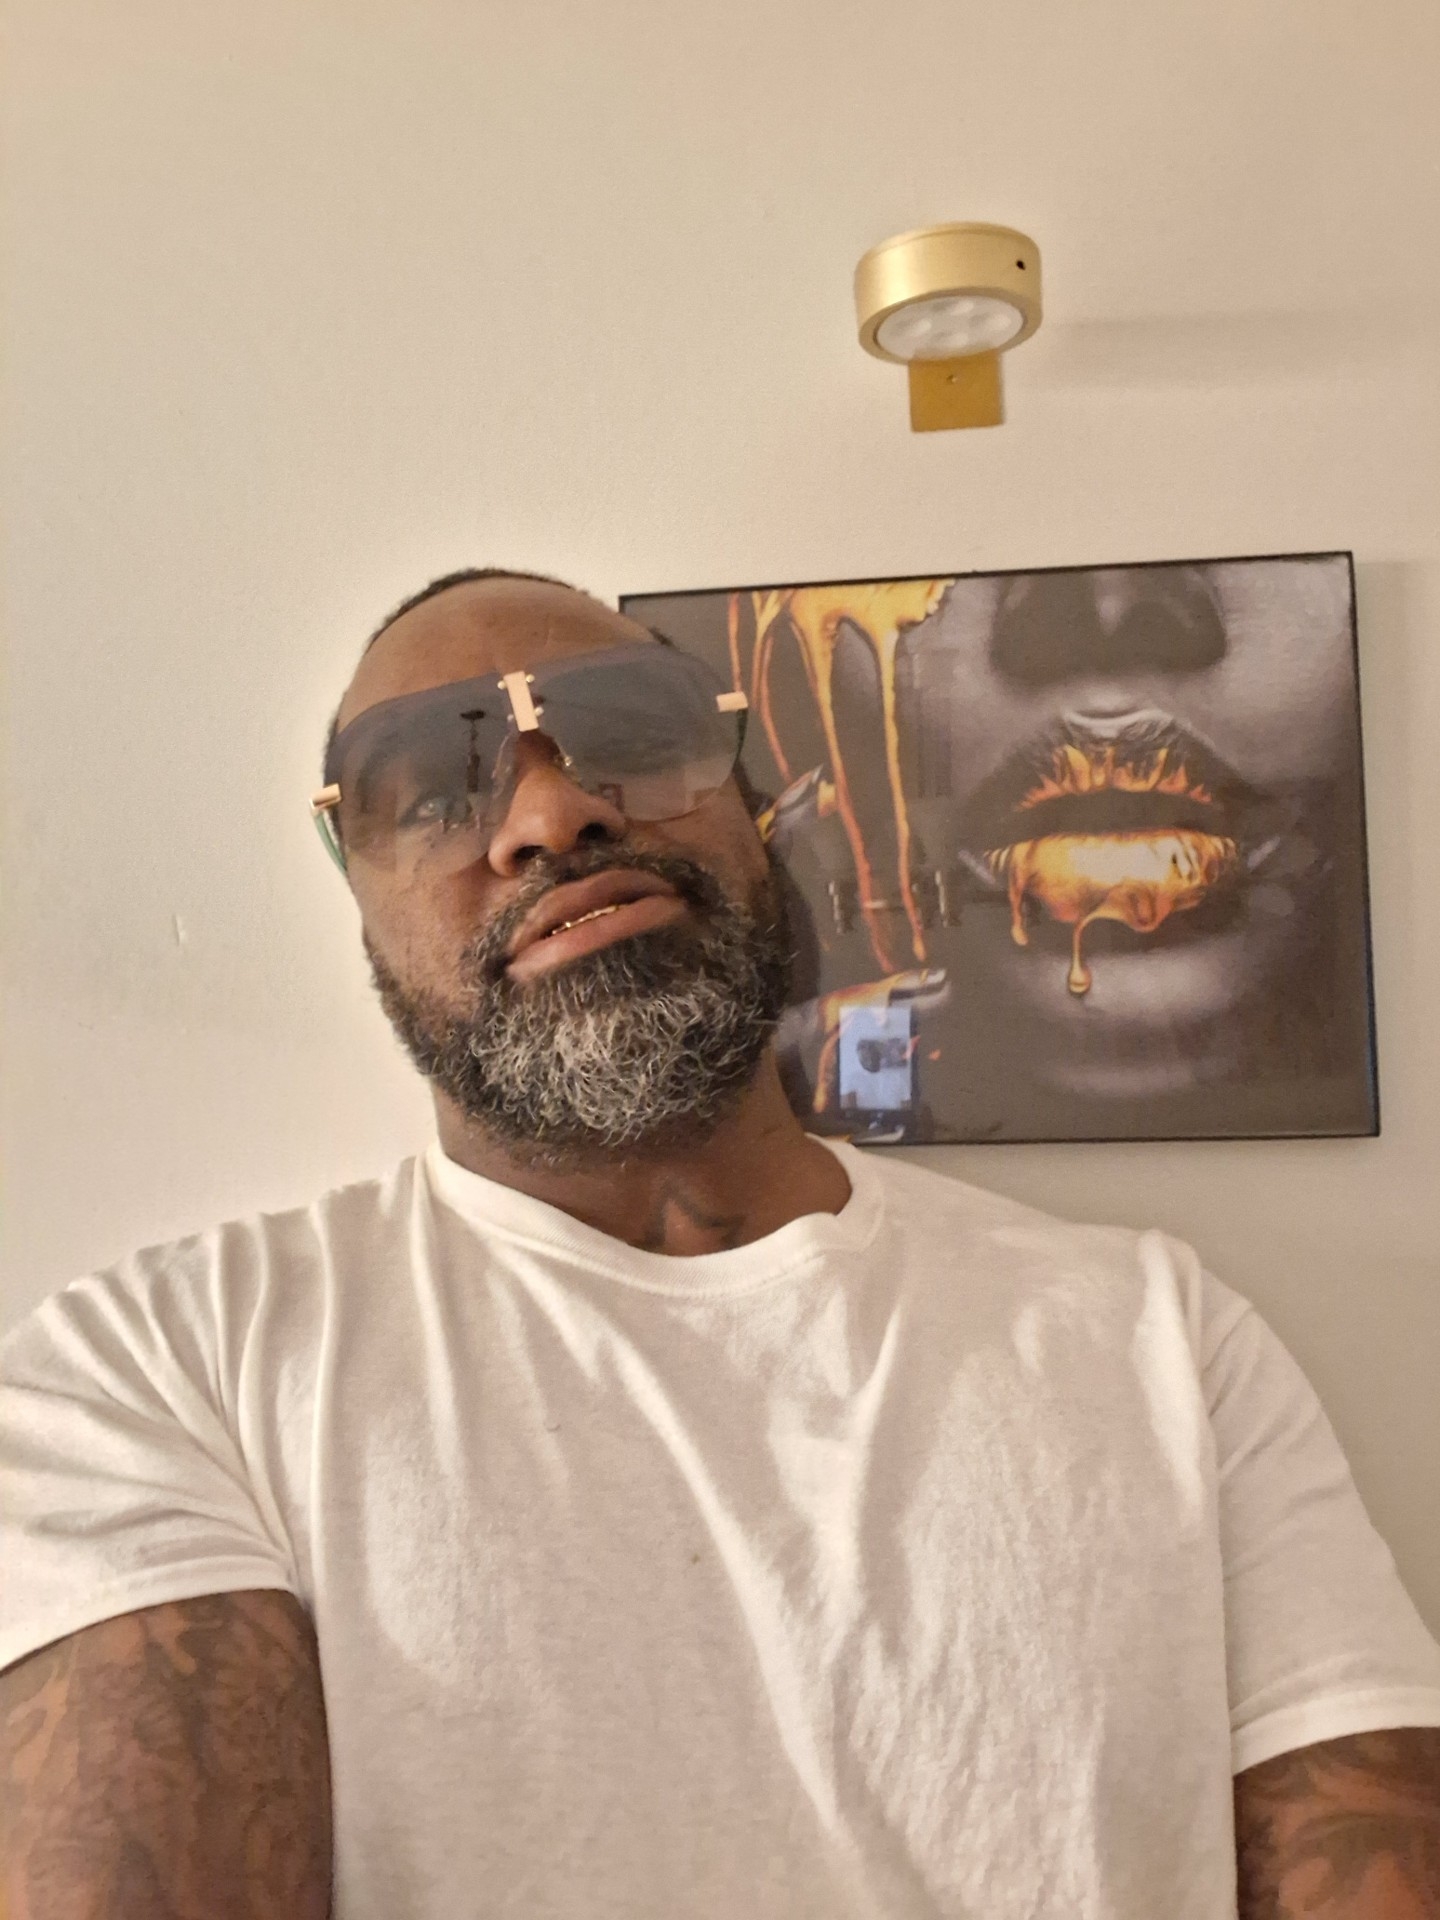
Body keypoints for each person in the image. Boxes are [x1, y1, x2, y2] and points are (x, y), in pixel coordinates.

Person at [2, 568, 1437, 1919]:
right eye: (432, 787)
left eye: (628, 733)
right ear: (358, 902)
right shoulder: (165, 1370)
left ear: (754, 810)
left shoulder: (1161, 1341)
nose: (550, 812)